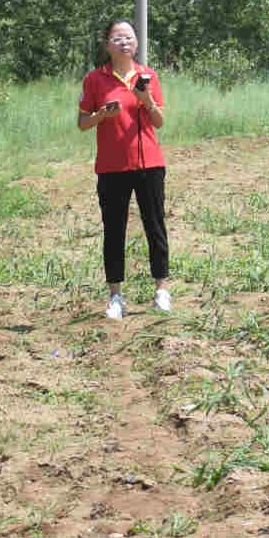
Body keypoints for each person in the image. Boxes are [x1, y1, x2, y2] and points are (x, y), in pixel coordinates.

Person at [77, 19, 171, 319]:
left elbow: (159, 121)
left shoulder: (148, 76)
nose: (124, 42)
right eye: (117, 38)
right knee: (114, 231)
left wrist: (146, 100)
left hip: (149, 164)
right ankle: (115, 296)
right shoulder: (95, 79)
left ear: (137, 44)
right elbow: (82, 123)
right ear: (107, 45)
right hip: (111, 167)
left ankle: (161, 290)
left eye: (129, 37)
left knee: (154, 227)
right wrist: (103, 114)